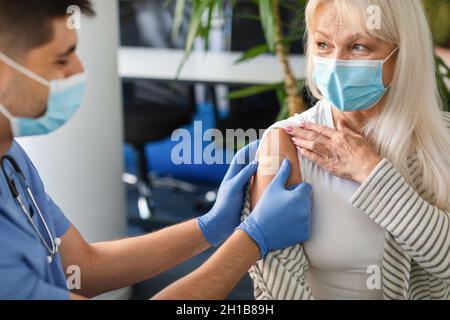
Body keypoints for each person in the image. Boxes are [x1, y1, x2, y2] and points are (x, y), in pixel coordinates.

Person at [0, 0, 313, 300]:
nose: (78, 70)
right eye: (61, 58)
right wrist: (251, 241)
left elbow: (81, 268)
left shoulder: (10, 155)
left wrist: (210, 226)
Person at [249, 0, 450, 300]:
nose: (336, 62)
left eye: (359, 47)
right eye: (323, 44)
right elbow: (277, 288)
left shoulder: (442, 137)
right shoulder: (287, 143)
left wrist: (370, 171)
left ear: (403, 54)